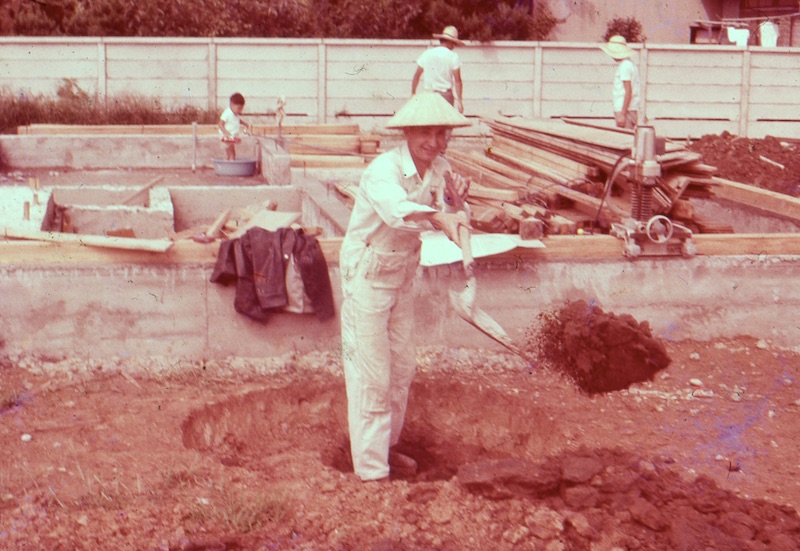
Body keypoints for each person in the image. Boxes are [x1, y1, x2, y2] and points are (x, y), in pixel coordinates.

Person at [339, 92, 471, 483]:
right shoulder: (384, 170)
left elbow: (452, 212)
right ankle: (371, 471)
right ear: (408, 133)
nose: (434, 141)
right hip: (368, 275)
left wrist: (453, 203)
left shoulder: (440, 167)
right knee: (373, 376)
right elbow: (397, 212)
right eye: (425, 132)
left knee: (402, 369)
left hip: (401, 278)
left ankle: (386, 449)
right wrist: (440, 219)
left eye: (441, 132)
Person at [411, 25, 465, 113]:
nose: (454, 46)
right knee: (446, 124)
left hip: (429, 94)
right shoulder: (453, 56)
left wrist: (413, 92)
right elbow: (458, 80)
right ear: (450, 42)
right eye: (454, 43)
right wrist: (459, 101)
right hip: (445, 95)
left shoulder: (427, 53)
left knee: (430, 124)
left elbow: (416, 75)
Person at [600, 35, 641, 129]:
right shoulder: (629, 64)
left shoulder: (625, 66)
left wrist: (622, 114)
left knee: (625, 139)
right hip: (629, 108)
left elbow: (628, 91)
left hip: (625, 110)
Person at [218, 92, 251, 160]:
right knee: (231, 153)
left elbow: (238, 120)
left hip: (231, 137)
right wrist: (226, 133)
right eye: (238, 108)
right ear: (231, 104)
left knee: (231, 153)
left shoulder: (235, 113)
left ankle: (229, 165)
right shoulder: (227, 113)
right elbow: (220, 124)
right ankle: (229, 166)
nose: (240, 111)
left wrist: (245, 124)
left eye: (241, 109)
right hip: (226, 137)